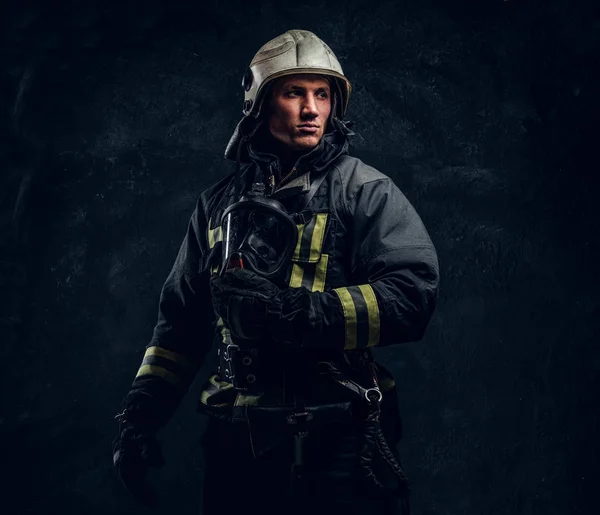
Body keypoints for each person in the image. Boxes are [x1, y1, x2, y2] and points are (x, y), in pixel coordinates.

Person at [112, 29, 440, 515]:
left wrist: (298, 313)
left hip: (339, 441)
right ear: (260, 105)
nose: (311, 109)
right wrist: (141, 417)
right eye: (294, 92)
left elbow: (413, 297)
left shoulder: (366, 191)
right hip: (236, 445)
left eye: (322, 94)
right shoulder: (216, 207)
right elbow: (179, 327)